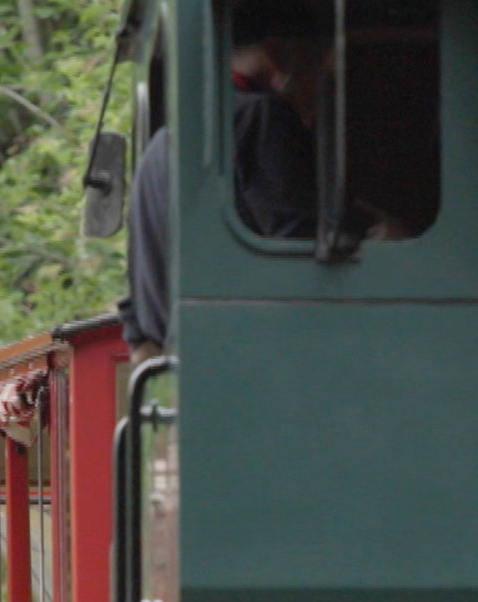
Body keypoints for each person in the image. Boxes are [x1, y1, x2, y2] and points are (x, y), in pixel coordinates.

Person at [119, 0, 331, 355]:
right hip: (259, 358)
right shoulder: (265, 118)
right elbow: (300, 255)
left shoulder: (159, 147)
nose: (320, 93)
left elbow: (136, 314)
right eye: (319, 68)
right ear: (278, 55)